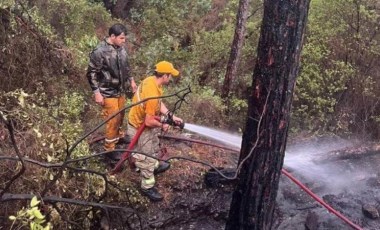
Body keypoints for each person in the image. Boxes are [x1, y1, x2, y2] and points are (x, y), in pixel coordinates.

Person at [127, 61, 183, 201]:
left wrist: (171, 116)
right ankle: (147, 186)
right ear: (164, 76)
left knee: (153, 145)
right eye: (170, 75)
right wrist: (163, 123)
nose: (170, 78)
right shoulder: (152, 90)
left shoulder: (151, 81)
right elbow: (148, 121)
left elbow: (158, 103)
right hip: (140, 127)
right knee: (145, 155)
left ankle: (154, 165)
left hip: (143, 125)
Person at [86, 23, 137, 154]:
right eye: (121, 38)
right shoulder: (100, 51)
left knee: (121, 115)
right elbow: (91, 73)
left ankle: (118, 137)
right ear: (112, 36)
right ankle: (109, 150)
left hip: (120, 90)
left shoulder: (121, 49)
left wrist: (131, 81)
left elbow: (126, 67)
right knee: (112, 120)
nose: (124, 41)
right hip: (107, 92)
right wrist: (97, 93)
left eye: (124, 38)